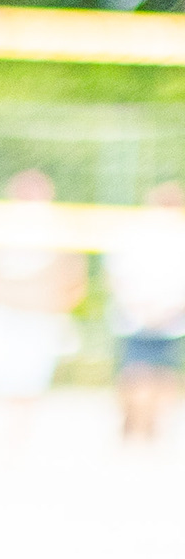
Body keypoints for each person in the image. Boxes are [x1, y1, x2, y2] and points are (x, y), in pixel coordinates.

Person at [0, 167, 87, 434]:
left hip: (37, 317)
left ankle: (13, 445)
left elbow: (75, 279)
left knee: (26, 386)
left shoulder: (60, 230)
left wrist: (53, 307)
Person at [107, 182, 185, 448]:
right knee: (146, 376)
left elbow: (116, 277)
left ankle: (146, 431)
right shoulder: (135, 234)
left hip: (156, 318)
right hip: (150, 318)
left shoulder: (134, 234)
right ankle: (141, 430)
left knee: (149, 376)